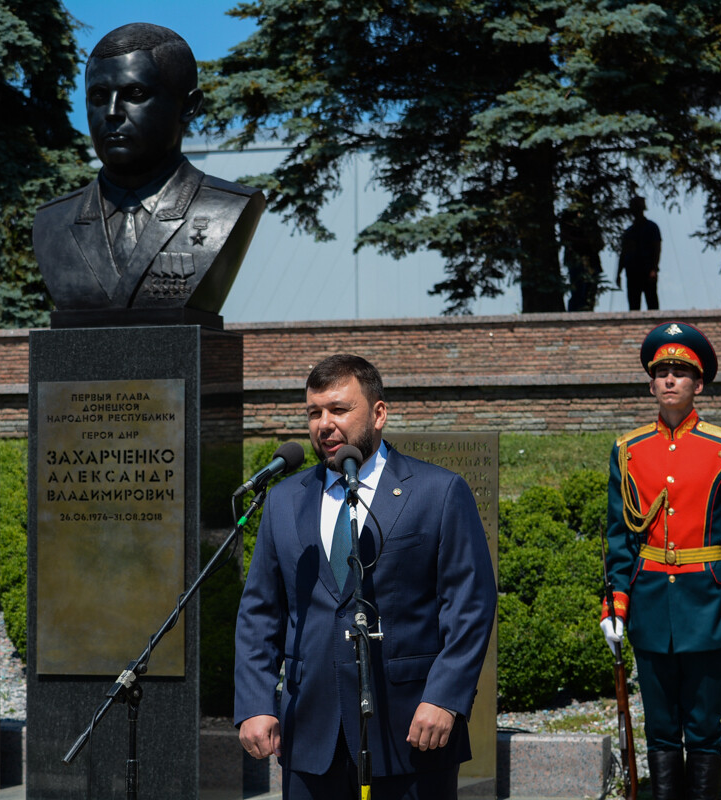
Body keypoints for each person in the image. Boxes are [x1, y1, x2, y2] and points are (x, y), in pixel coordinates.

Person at [234, 354, 496, 800]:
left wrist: (446, 698)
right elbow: (260, 611)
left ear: (378, 414)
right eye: (314, 412)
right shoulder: (284, 501)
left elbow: (470, 604)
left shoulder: (438, 491)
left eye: (338, 409)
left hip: (411, 730)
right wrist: (256, 703)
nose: (324, 424)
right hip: (311, 733)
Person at [600, 321, 721, 800]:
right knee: (662, 725)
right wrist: (615, 607)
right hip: (650, 603)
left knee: (705, 723)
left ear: (699, 384)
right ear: (651, 383)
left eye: (681, 372)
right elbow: (620, 537)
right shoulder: (628, 451)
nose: (671, 380)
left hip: (708, 605)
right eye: (662, 371)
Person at [32, 23, 264, 315]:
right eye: (99, 97)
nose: (113, 112)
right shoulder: (53, 222)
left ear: (189, 107)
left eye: (136, 94)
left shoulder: (227, 207)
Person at [616, 196, 661, 310]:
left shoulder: (652, 227)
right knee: (634, 305)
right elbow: (624, 253)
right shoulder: (629, 231)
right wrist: (619, 273)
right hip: (632, 272)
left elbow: (657, 248)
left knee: (652, 304)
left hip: (647, 270)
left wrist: (654, 269)